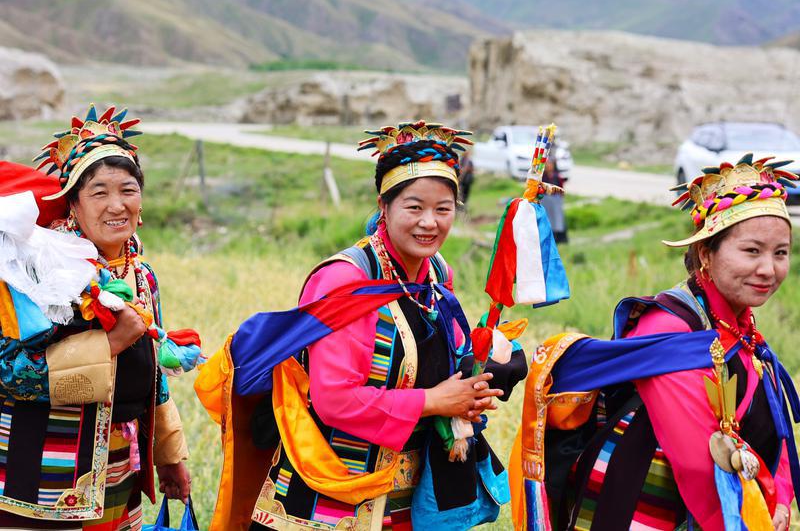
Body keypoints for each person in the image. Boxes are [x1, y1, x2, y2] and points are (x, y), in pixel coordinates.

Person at [197, 121, 529, 531]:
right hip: (329, 493)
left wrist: (473, 386)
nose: (430, 222)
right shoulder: (346, 280)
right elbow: (333, 399)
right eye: (414, 207)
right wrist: (434, 401)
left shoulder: (436, 275)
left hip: (407, 494)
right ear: (383, 206)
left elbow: (443, 361)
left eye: (443, 210)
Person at [511, 154, 799, 530]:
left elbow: (775, 424)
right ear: (705, 253)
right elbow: (697, 458)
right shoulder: (668, 330)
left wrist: (780, 497)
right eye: (752, 251)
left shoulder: (738, 327)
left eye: (781, 253)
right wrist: (754, 516)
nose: (768, 269)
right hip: (644, 501)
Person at [0, 105, 192, 530]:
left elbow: (153, 375)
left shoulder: (140, 274)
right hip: (41, 478)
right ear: (73, 203)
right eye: (99, 193)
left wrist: (169, 455)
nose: (116, 205)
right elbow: (8, 372)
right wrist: (111, 343)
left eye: (128, 190)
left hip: (119, 469)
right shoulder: (35, 273)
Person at [540, 157, 567, 243]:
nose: (549, 166)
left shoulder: (557, 176)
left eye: (550, 164)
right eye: (547, 164)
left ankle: (558, 237)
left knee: (557, 219)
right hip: (545, 202)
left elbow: (561, 190)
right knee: (547, 219)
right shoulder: (542, 177)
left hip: (556, 202)